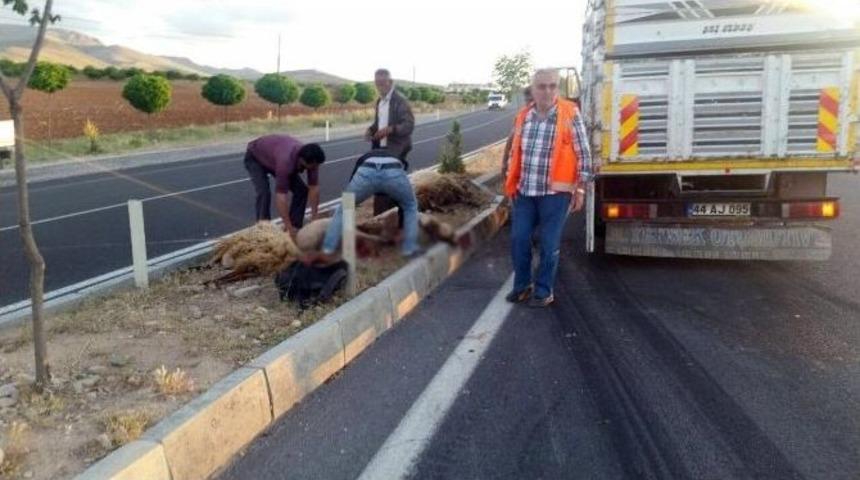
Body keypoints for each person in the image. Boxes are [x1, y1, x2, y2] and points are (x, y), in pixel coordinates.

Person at [504, 69, 591, 307]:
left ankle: (543, 291)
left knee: (548, 243)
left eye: (553, 86)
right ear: (533, 90)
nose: (548, 91)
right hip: (525, 191)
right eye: (542, 86)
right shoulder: (523, 116)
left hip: (556, 195)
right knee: (519, 239)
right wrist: (511, 185)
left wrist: (580, 189)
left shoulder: (570, 113)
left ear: (558, 88)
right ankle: (522, 287)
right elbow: (514, 153)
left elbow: (584, 154)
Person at [305, 149, 420, 263]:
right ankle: (409, 248)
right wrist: (401, 227)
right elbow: (402, 197)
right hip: (393, 171)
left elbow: (352, 180)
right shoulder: (399, 162)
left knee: (345, 208)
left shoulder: (364, 159)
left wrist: (351, 199)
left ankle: (329, 250)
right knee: (410, 206)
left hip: (367, 170)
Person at [244, 134, 325, 237]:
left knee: (301, 190)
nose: (314, 169)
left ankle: (295, 225)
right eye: (312, 166)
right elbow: (281, 197)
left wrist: (314, 218)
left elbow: (314, 188)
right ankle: (263, 229)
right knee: (264, 192)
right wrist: (288, 227)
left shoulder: (312, 160)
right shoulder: (285, 163)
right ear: (302, 161)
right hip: (255, 157)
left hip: (274, 155)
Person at [365, 68, 415, 222]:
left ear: (390, 82)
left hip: (396, 148)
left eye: (382, 82)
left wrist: (391, 129)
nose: (379, 86)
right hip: (381, 148)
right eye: (377, 83)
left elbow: (409, 125)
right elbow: (378, 123)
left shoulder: (400, 101)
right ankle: (387, 219)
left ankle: (383, 220)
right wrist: (371, 130)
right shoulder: (380, 102)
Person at [501, 86, 534, 181]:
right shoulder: (521, 116)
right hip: (521, 167)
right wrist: (504, 162)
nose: (530, 104)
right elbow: (511, 139)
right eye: (528, 100)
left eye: (532, 100)